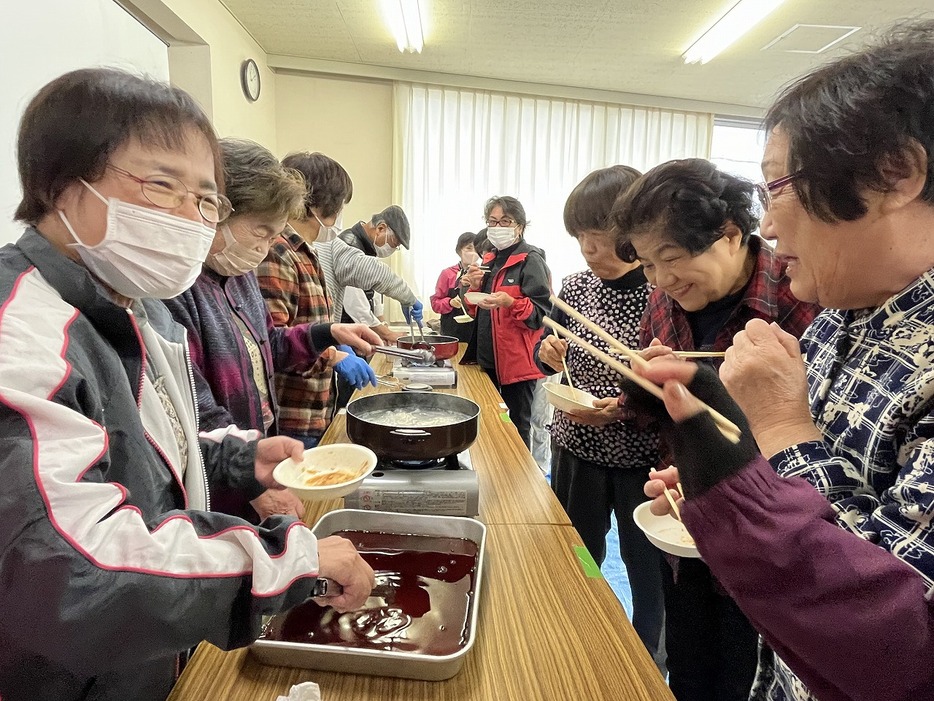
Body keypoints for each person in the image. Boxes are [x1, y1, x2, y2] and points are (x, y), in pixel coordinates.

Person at [0, 67, 374, 701]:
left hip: (138, 657)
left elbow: (157, 444)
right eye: (162, 185)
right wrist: (289, 559)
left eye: (205, 201)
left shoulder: (137, 308)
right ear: (61, 184)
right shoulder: (23, 331)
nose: (190, 219)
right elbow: (69, 570)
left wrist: (237, 457)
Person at [636, 21, 934, 701]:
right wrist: (728, 487)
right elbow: (814, 522)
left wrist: (779, 431)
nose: (768, 226)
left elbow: (902, 650)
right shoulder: (838, 314)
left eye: (778, 188)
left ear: (896, 174)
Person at [613, 158, 820, 701]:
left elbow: (819, 439)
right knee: (689, 659)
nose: (660, 280)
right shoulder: (665, 298)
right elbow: (663, 411)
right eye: (649, 265)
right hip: (683, 517)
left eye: (672, 259)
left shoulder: (804, 298)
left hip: (777, 535)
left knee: (744, 669)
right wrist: (645, 390)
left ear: (731, 235)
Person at [163, 138, 379, 522]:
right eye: (262, 232)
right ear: (215, 212)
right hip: (221, 476)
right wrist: (250, 479)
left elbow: (271, 345)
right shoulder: (176, 291)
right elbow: (195, 414)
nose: (267, 247)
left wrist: (327, 334)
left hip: (254, 448)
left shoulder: (239, 275)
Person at [534, 165, 666, 670]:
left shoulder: (662, 292)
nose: (591, 252)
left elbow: (671, 379)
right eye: (582, 240)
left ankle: (647, 665)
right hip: (577, 448)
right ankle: (572, 645)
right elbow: (557, 349)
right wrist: (550, 351)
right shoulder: (575, 286)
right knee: (577, 556)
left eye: (602, 239)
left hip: (644, 460)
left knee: (647, 570)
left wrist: (628, 408)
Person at [257, 154, 418, 446]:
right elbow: (271, 343)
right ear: (320, 204)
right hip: (293, 414)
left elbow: (311, 323)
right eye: (340, 206)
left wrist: (333, 339)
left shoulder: (310, 252)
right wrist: (335, 354)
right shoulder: (278, 253)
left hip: (316, 406)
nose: (341, 215)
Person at [462, 196, 552, 447]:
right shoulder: (490, 258)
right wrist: (474, 286)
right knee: (490, 418)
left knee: (517, 423)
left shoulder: (530, 259)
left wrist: (511, 303)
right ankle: (494, 473)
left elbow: (541, 314)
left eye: (505, 221)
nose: (498, 227)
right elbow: (476, 309)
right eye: (492, 221)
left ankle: (519, 479)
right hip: (487, 356)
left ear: (520, 226)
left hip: (517, 363)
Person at [339, 205, 422, 344]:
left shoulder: (369, 249)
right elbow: (356, 305)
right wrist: (387, 334)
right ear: (380, 228)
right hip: (346, 332)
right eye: (394, 243)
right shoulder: (349, 246)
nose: (393, 249)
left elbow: (374, 292)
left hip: (359, 331)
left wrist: (383, 323)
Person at [431, 231, 476, 341]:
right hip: (451, 332)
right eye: (469, 248)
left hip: (475, 331)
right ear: (459, 251)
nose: (473, 252)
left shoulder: (482, 274)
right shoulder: (447, 274)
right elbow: (435, 303)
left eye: (476, 249)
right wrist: (449, 302)